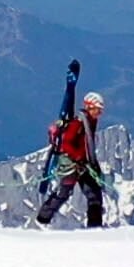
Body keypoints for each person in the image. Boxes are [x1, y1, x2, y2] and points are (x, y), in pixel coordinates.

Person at [34, 61, 107, 228]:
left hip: (82, 164)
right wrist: (79, 158)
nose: (100, 113)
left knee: (94, 194)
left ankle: (95, 227)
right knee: (63, 193)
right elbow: (67, 144)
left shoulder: (88, 123)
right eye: (98, 109)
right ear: (90, 107)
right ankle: (42, 219)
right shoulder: (78, 124)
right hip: (72, 164)